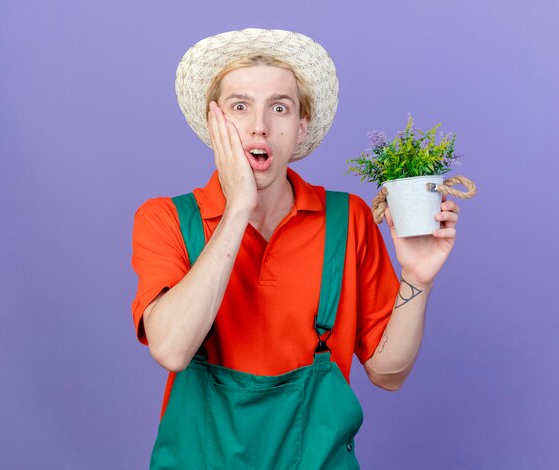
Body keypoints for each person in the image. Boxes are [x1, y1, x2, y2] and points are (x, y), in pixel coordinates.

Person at [131, 28, 461, 469]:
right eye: (240, 106)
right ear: (215, 123)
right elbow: (171, 349)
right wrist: (237, 209)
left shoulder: (347, 220)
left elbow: (389, 373)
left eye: (280, 107)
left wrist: (417, 278)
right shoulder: (166, 219)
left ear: (301, 126)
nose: (259, 125)